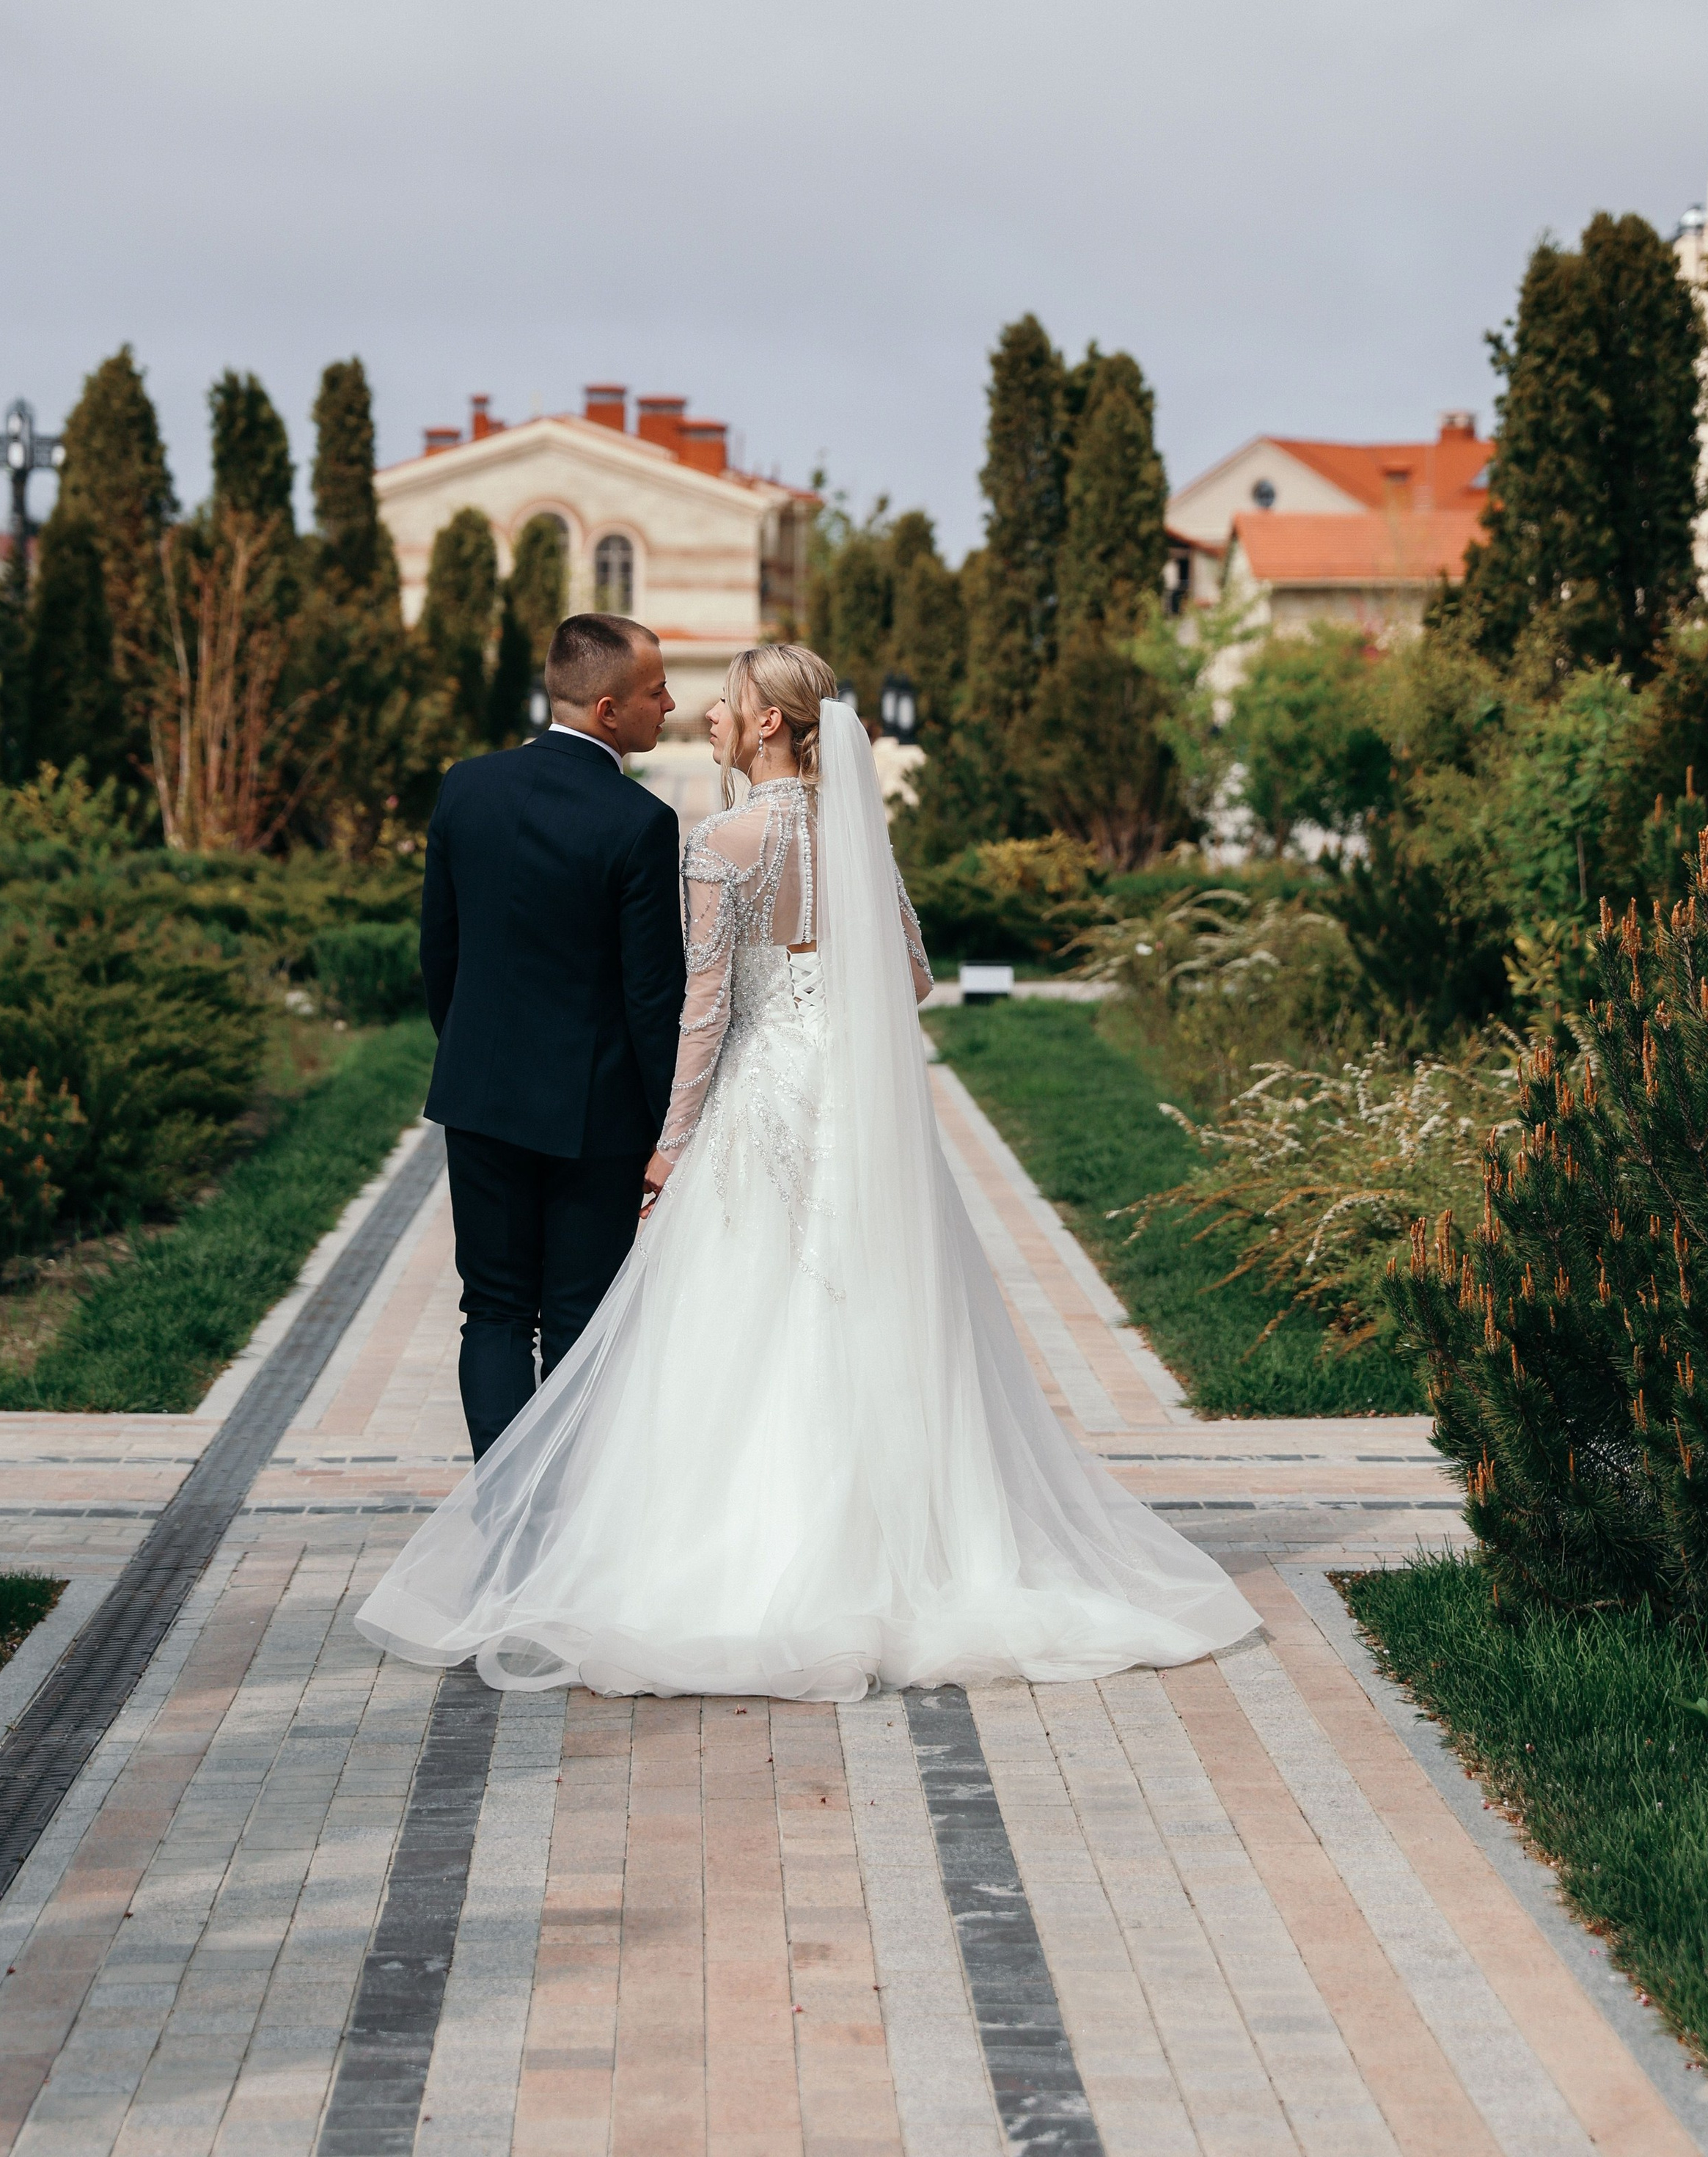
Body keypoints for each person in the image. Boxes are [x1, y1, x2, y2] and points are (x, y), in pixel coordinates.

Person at [362, 642, 1259, 1697]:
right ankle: (896, 1552)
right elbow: (912, 976)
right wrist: (827, 1000)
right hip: (843, 1094)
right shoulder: (855, 838)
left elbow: (702, 1013)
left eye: (726, 701)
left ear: (769, 724)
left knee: (707, 1310)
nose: (705, 713)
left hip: (751, 1092)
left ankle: (630, 1551)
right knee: (859, 1308)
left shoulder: (717, 842)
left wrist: (672, 1139)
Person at [417, 612, 685, 1462]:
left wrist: (472, 1055)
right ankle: (558, 1510)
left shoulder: (466, 787)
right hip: (594, 1116)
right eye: (655, 692)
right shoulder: (640, 821)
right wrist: (670, 1127)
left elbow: (440, 952)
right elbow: (652, 996)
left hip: (480, 1096)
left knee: (493, 1309)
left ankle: (505, 1511)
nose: (669, 705)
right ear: (608, 710)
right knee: (576, 1316)